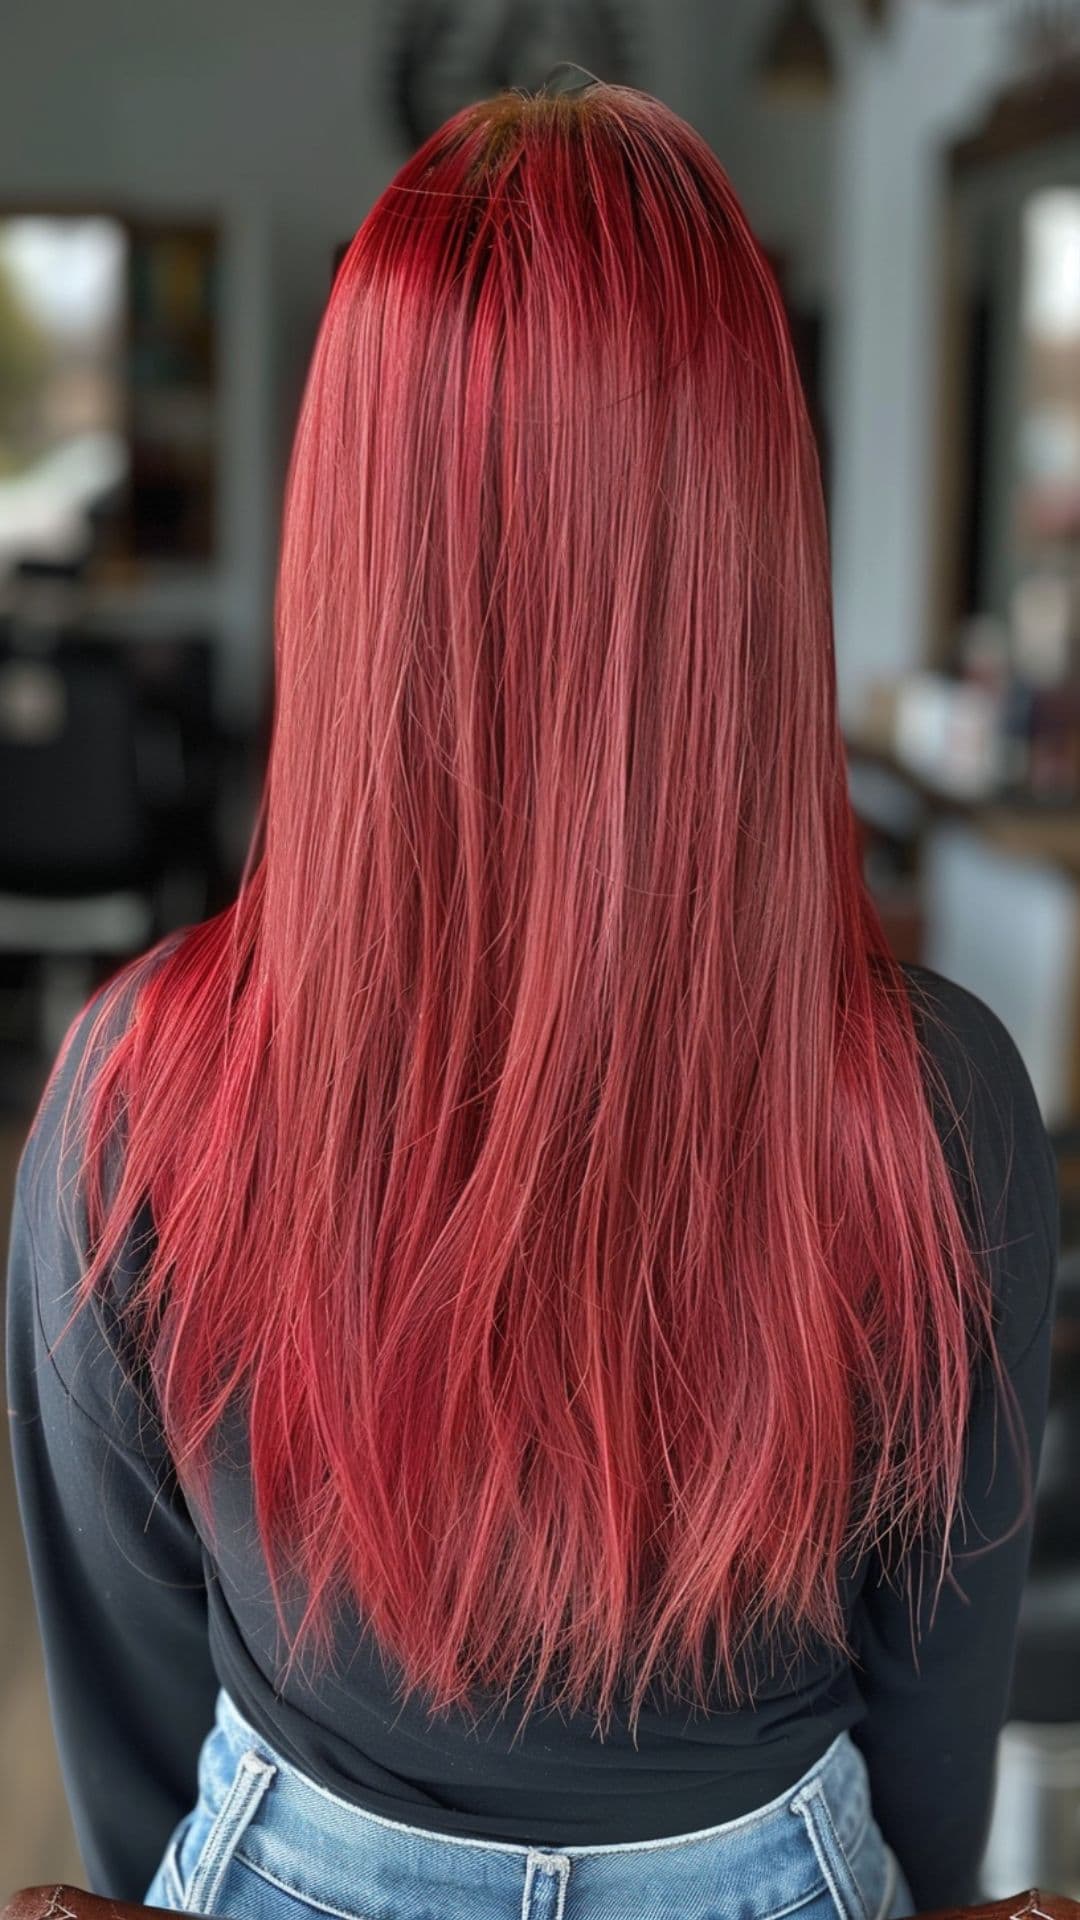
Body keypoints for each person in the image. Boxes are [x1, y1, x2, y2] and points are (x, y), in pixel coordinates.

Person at [5, 68, 1058, 1920]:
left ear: (351, 544)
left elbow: (128, 1727)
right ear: (750, 548)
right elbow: (938, 1736)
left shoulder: (136, 1094)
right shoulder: (937, 1109)